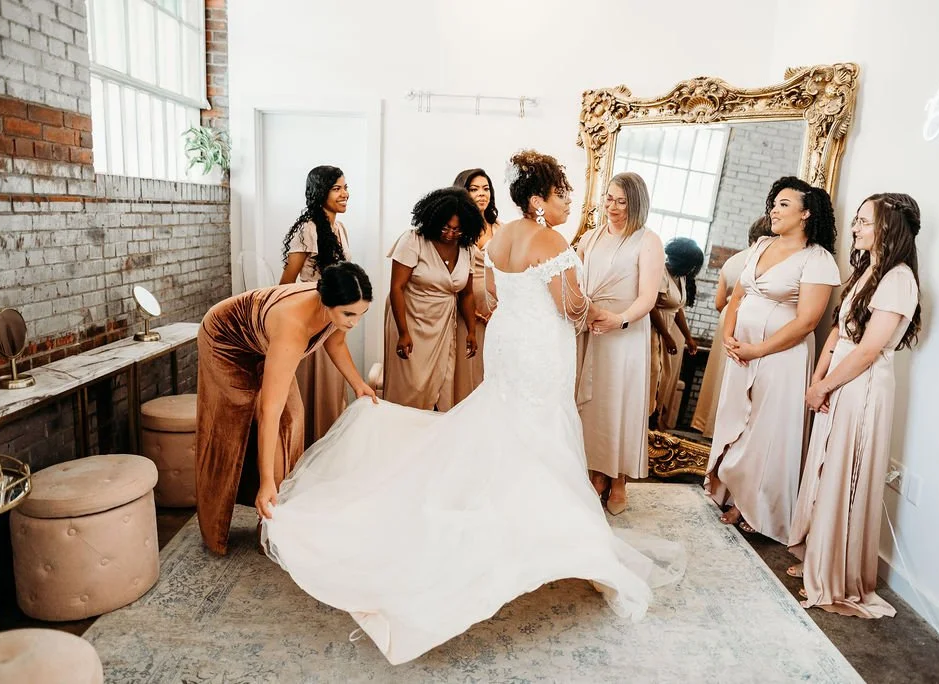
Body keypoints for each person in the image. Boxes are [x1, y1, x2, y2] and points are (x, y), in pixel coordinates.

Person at [261, 150, 685, 666]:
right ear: (538, 201)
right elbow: (569, 308)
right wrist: (597, 311)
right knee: (540, 426)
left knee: (506, 420)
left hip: (508, 342)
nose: (570, 201)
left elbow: (489, 291)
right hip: (538, 349)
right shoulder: (551, 241)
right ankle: (540, 529)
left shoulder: (498, 236)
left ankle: (522, 509)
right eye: (562, 193)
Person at [788, 193, 922, 618]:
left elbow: (867, 351)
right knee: (828, 466)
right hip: (841, 379)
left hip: (863, 385)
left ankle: (836, 571)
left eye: (865, 221)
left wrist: (825, 385)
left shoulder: (899, 278)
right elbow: (839, 332)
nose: (856, 227)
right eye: (858, 220)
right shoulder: (867, 271)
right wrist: (818, 377)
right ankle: (818, 555)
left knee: (845, 469)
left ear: (888, 228)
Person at [195, 262, 376, 555]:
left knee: (293, 419)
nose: (354, 322)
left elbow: (337, 342)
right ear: (326, 303)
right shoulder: (294, 327)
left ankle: (272, 517)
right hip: (226, 341)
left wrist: (358, 384)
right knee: (232, 425)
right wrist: (266, 480)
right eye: (349, 314)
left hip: (265, 338)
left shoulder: (335, 310)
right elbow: (270, 410)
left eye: (361, 314)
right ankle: (219, 526)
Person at [704, 176, 841, 543]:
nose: (774, 210)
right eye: (774, 203)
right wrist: (729, 335)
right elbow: (736, 296)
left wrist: (759, 350)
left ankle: (757, 508)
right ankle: (728, 489)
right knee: (739, 421)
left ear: (806, 213)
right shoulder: (761, 244)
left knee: (767, 430)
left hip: (782, 356)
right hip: (742, 351)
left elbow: (808, 320)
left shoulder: (818, 259)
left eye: (783, 204)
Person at [576, 172, 665, 515]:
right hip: (591, 329)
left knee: (619, 404)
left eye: (621, 201)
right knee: (594, 406)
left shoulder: (648, 241)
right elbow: (577, 282)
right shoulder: (589, 238)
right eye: (608, 199)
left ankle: (618, 481)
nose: (611, 207)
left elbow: (648, 297)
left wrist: (620, 319)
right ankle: (595, 474)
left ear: (636, 203)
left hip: (625, 333)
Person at [383, 187, 481, 410]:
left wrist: (472, 331)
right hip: (410, 321)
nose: (450, 234)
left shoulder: (467, 248)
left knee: (442, 386)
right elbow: (396, 288)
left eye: (457, 229)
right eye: (446, 227)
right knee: (411, 389)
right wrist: (403, 332)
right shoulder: (413, 240)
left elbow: (466, 294)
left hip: (444, 324)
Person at [279, 165, 353, 445]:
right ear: (320, 192)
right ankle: (307, 448)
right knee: (314, 389)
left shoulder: (340, 228)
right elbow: (286, 283)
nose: (345, 193)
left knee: (332, 390)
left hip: (333, 318)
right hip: (310, 319)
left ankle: (328, 449)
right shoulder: (307, 228)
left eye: (345, 187)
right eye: (337, 188)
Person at [690, 216, 772, 437]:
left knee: (718, 372)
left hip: (726, 318)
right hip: (749, 321)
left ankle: (708, 424)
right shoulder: (770, 260)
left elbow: (719, 303)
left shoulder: (733, 261)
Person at [453, 168, 503, 402]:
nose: (482, 194)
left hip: (497, 310)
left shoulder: (501, 229)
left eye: (486, 189)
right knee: (468, 368)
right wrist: (471, 312)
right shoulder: (455, 230)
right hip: (466, 308)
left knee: (492, 367)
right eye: (474, 189)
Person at [651, 237, 703, 430]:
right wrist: (667, 336)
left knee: (665, 376)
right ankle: (648, 418)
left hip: (668, 327)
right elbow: (651, 307)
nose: (692, 271)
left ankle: (655, 418)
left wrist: (688, 337)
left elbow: (678, 308)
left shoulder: (680, 277)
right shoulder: (660, 272)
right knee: (654, 373)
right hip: (653, 329)